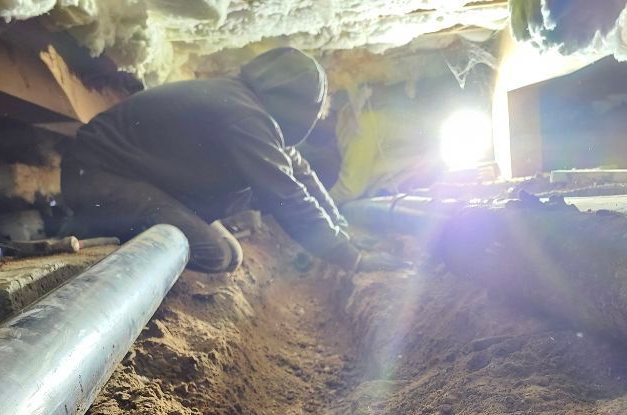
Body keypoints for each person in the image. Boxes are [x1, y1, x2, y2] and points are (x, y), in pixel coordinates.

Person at [61, 48, 406, 274]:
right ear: (300, 111)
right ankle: (92, 233)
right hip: (98, 177)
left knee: (230, 254)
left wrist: (342, 232)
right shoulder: (243, 115)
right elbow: (286, 194)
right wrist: (354, 260)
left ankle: (115, 227)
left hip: (131, 180)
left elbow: (301, 173)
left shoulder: (248, 105)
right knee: (212, 253)